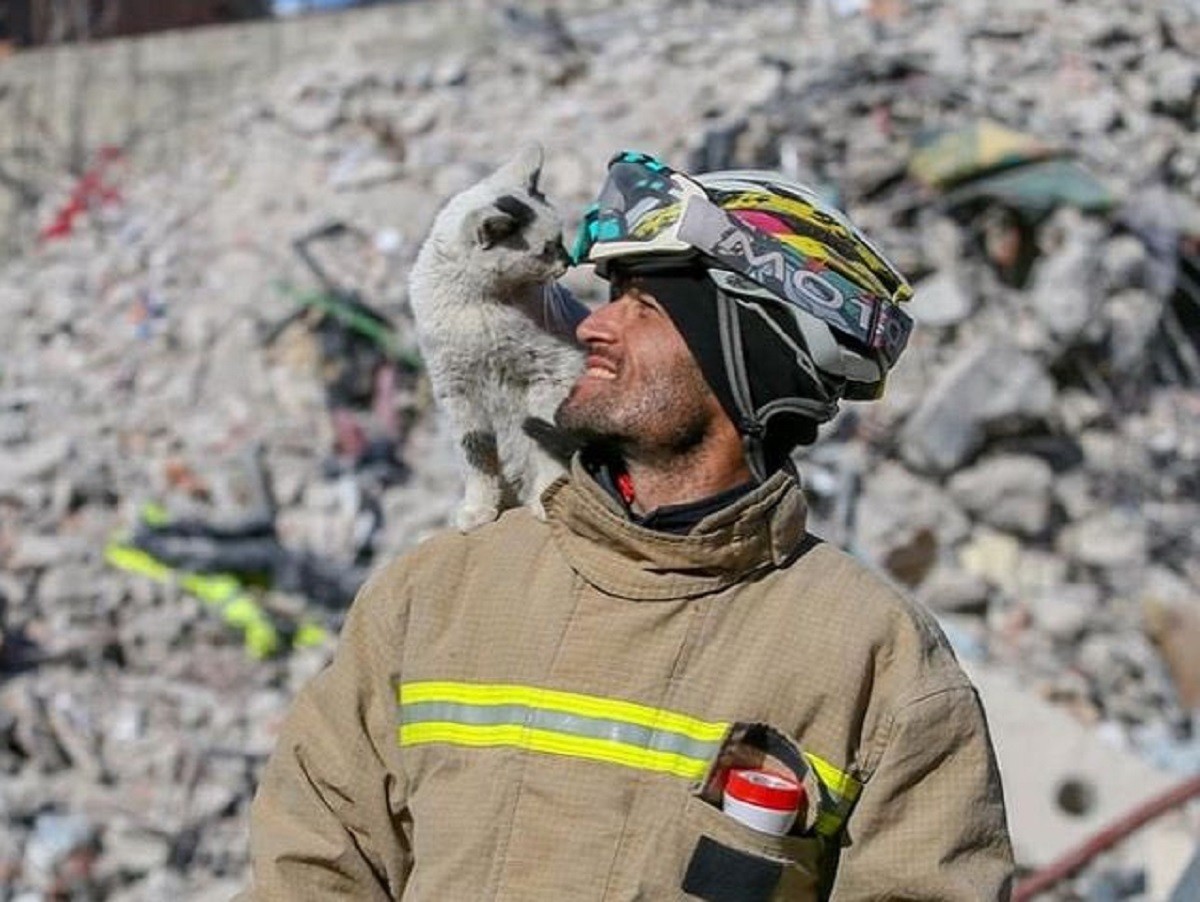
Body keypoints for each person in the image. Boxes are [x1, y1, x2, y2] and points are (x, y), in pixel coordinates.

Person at [239, 151, 1014, 900]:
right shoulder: (435, 594)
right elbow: (309, 865)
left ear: (746, 352)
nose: (591, 327)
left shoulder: (875, 664)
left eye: (644, 304)